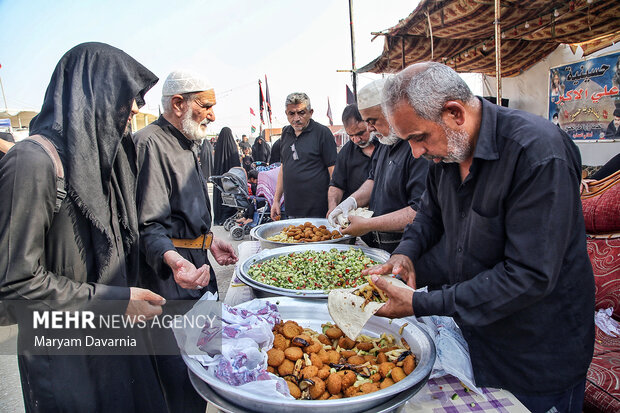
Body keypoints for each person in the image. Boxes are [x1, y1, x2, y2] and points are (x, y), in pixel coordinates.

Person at [366, 62, 594, 412]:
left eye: (418, 137)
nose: (415, 152)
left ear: (454, 113)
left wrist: (420, 303)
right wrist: (406, 254)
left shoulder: (536, 153)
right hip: (478, 339)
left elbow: (528, 276)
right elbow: (429, 215)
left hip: (536, 355)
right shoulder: (445, 157)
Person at [0, 42, 167, 412]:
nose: (136, 110)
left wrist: (170, 261)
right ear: (97, 92)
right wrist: (112, 302)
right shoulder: (32, 162)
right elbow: (14, 285)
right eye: (129, 97)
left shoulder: (110, 164)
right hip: (67, 364)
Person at [133, 70, 238, 413]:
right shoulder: (150, 143)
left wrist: (208, 242)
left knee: (207, 367)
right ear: (178, 104)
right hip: (171, 282)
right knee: (181, 381)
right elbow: (149, 226)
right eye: (206, 105)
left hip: (198, 271)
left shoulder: (190, 141)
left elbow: (184, 214)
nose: (212, 114)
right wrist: (177, 261)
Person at [328, 79, 430, 253]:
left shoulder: (417, 149)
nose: (370, 128)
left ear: (392, 112)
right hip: (378, 244)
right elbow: (373, 179)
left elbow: (419, 212)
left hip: (407, 247)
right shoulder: (384, 142)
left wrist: (368, 224)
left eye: (373, 120)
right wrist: (351, 201)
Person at [271, 92, 337, 219]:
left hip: (318, 209)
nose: (296, 118)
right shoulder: (286, 133)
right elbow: (284, 168)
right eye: (292, 113)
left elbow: (333, 171)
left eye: (301, 113)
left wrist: (333, 204)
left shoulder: (322, 133)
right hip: (292, 209)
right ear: (286, 113)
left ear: (310, 112)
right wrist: (276, 201)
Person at [327, 104, 377, 214]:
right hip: (354, 216)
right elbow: (336, 184)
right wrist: (333, 206)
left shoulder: (386, 146)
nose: (356, 140)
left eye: (360, 133)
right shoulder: (346, 152)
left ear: (369, 124)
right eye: (351, 135)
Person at [213, 126, 242, 225]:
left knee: (221, 194)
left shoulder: (218, 147)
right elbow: (236, 164)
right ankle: (230, 215)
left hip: (220, 178)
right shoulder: (232, 146)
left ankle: (220, 217)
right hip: (230, 180)